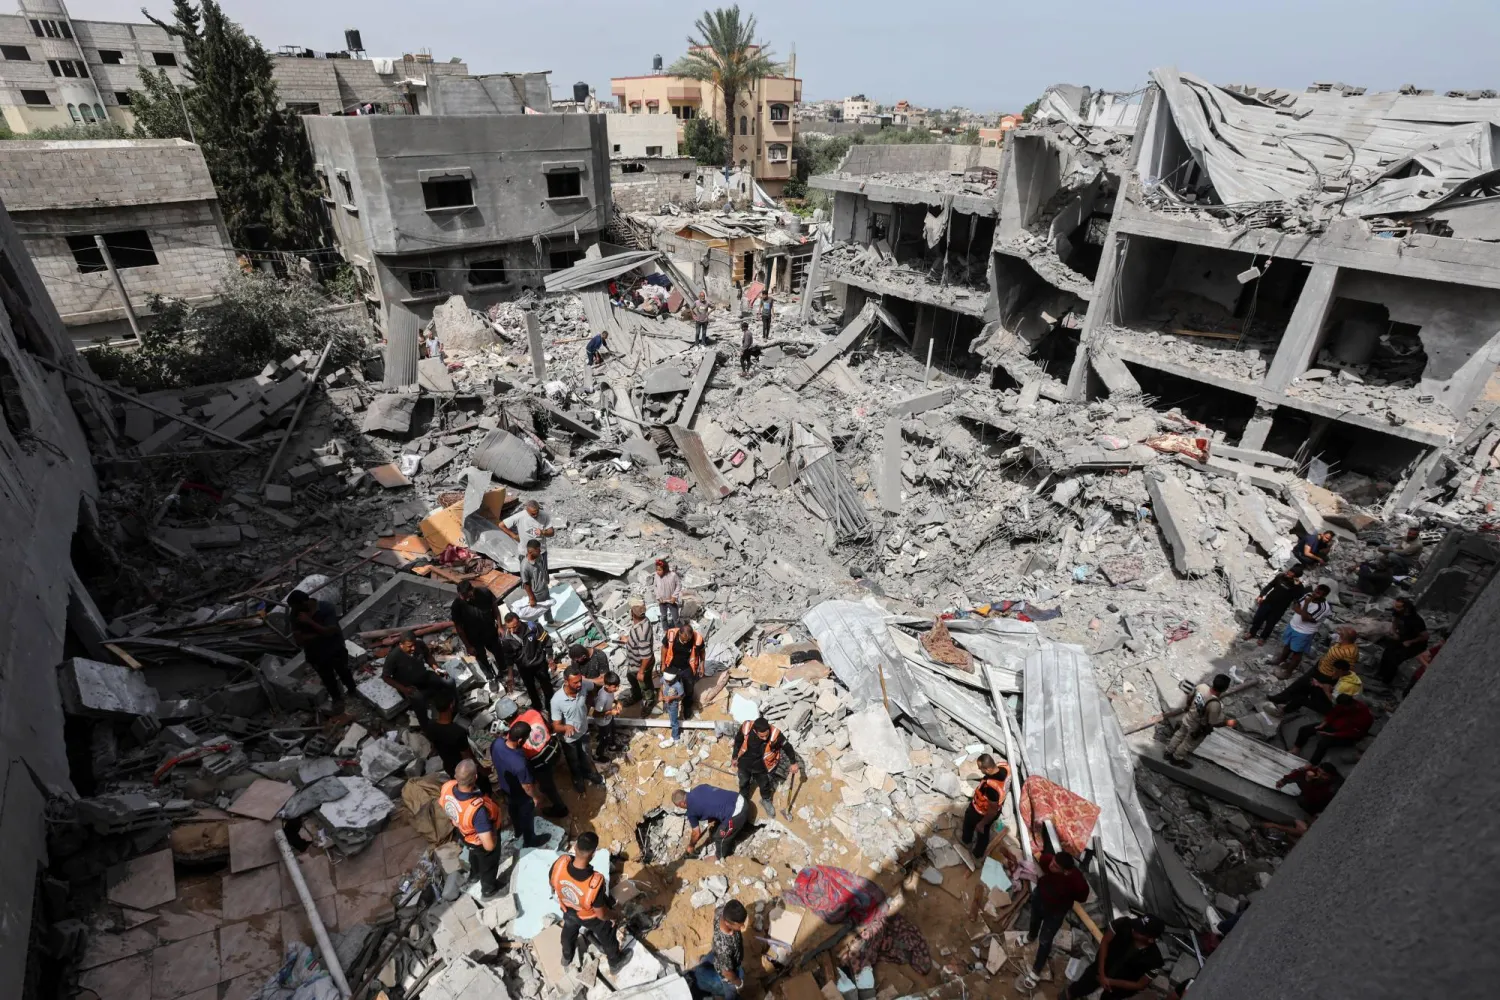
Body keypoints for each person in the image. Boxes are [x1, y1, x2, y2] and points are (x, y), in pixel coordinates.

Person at [550, 832, 632, 973]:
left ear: (575, 847)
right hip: (589, 918)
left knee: (568, 930)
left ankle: (567, 956)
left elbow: (553, 883)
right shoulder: (594, 883)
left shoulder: (560, 864)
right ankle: (615, 961)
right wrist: (615, 916)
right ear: (593, 854)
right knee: (607, 934)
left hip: (568, 910)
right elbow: (601, 914)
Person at [1016, 850, 1090, 991]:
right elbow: (1045, 862)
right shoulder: (1047, 860)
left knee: (1045, 940)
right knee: (1034, 921)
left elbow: (1082, 897)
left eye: (1055, 866)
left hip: (1055, 912)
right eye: (1053, 862)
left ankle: (1036, 971)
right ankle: (1030, 937)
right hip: (1040, 898)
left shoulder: (1077, 882)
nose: (1051, 866)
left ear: (1066, 872)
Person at [438, 760, 505, 898]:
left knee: (473, 853)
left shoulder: (447, 787)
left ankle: (475, 875)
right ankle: (488, 888)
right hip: (479, 840)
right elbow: (489, 845)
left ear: (456, 776)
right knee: (488, 862)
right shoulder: (477, 810)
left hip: (463, 832)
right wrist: (495, 836)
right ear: (475, 778)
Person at [1060, 914, 1164, 1000]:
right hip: (1101, 967)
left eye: (1140, 931)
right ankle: (1069, 995)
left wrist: (1108, 981)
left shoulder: (1154, 961)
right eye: (1137, 924)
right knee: (1083, 984)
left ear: (1150, 939)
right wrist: (1101, 973)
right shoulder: (1123, 924)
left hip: (1120, 987)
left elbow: (1140, 985)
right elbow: (1105, 942)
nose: (1134, 928)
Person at [287, 590, 357, 710]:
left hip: (335, 648)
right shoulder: (295, 614)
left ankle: (352, 690)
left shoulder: (325, 608)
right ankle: (337, 699)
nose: (295, 610)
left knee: (344, 671)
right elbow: (299, 640)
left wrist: (310, 622)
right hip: (315, 654)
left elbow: (331, 630)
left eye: (297, 606)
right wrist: (321, 634)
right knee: (327, 678)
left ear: (305, 602)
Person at [497, 705, 568, 818]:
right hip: (555, 749)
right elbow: (548, 727)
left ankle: (561, 808)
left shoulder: (513, 733)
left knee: (548, 787)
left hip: (541, 763)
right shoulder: (532, 712)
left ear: (505, 720)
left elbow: (518, 753)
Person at [490, 719, 551, 846]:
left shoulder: (496, 743)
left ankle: (518, 831)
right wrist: (535, 797)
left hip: (506, 787)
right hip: (521, 794)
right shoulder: (519, 763)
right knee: (527, 815)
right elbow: (527, 786)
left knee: (513, 809)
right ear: (520, 740)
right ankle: (530, 840)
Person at [381, 631, 457, 724]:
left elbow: (428, 656)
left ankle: (454, 706)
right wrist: (404, 689)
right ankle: (425, 724)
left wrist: (437, 669)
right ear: (401, 645)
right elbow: (386, 677)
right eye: (409, 646)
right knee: (418, 699)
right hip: (408, 685)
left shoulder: (419, 644)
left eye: (414, 645)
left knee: (449, 681)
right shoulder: (393, 656)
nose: (413, 648)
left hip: (423, 676)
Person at [732, 717, 800, 820]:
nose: (764, 738)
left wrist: (793, 763)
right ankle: (743, 798)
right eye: (761, 736)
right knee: (743, 781)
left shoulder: (775, 734)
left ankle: (766, 800)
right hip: (745, 762)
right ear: (755, 731)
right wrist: (734, 756)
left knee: (765, 785)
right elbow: (738, 740)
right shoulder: (746, 727)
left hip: (763, 766)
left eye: (766, 735)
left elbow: (788, 747)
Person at [550, 665, 605, 793]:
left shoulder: (583, 685)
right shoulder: (557, 700)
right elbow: (555, 726)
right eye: (575, 682)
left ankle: (588, 773)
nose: (579, 684)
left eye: (580, 680)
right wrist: (566, 727)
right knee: (573, 760)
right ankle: (577, 778)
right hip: (569, 739)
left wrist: (591, 701)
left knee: (586, 755)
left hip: (584, 731)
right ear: (566, 682)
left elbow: (594, 686)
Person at [1165, 674, 1237, 769]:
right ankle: (1176, 759)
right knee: (1187, 744)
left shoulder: (1202, 687)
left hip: (1189, 717)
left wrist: (1188, 706)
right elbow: (1212, 723)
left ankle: (1168, 752)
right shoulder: (1215, 705)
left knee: (1179, 734)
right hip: (1196, 727)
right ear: (1225, 689)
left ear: (1213, 682)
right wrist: (1228, 723)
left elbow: (1190, 697)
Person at [674, 784, 750, 860]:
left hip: (738, 812)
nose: (681, 808)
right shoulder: (700, 787)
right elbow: (711, 801)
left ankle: (719, 857)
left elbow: (696, 833)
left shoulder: (691, 811)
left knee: (719, 837)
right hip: (739, 798)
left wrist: (691, 845)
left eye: (679, 806)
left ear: (682, 803)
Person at [1292, 694, 1372, 764]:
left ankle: (1312, 764)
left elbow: (1352, 733)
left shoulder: (1365, 717)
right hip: (1334, 726)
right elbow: (1334, 713)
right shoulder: (1343, 704)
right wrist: (1324, 724)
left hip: (1347, 736)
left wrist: (1332, 734)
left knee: (1323, 743)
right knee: (1304, 729)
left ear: (1350, 705)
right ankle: (1296, 749)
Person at [452, 580, 506, 683]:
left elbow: (495, 609)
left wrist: (499, 626)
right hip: (474, 637)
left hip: (490, 631)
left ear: (471, 591)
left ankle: (504, 671)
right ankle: (490, 678)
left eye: (464, 595)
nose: (462, 597)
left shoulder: (485, 593)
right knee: (481, 658)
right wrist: (468, 646)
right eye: (461, 595)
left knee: (498, 651)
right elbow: (459, 627)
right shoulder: (457, 605)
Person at [1271, 584, 1333, 674]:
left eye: (1318, 593)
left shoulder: (1323, 608)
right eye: (1315, 591)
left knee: (1297, 653)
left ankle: (1288, 672)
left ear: (1324, 596)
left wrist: (1307, 604)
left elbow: (1304, 619)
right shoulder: (1308, 595)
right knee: (1287, 645)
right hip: (1293, 625)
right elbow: (1295, 607)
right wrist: (1304, 612)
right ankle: (1281, 660)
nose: (1315, 594)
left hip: (1304, 632)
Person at [693, 900, 748, 999]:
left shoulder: (722, 912)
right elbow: (727, 972)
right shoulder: (724, 948)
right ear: (728, 923)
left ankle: (703, 962)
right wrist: (738, 983)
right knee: (732, 993)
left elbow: (717, 910)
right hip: (727, 968)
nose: (743, 926)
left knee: (711, 956)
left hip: (716, 951)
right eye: (739, 925)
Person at [960, 754, 1010, 859]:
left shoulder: (992, 788)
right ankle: (978, 854)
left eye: (980, 768)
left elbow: (992, 811)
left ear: (987, 769)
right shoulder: (1005, 767)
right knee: (985, 831)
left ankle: (966, 841)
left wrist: (982, 823)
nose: (979, 769)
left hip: (981, 812)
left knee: (974, 826)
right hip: (997, 808)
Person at [1243, 566, 1307, 646]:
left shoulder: (1298, 586)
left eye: (1291, 572)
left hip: (1279, 609)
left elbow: (1298, 598)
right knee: (1258, 618)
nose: (1288, 572)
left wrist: (1296, 586)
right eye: (1290, 570)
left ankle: (1263, 638)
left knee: (1270, 623)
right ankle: (1252, 633)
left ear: (1295, 576)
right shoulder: (1280, 576)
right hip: (1267, 602)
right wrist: (1261, 595)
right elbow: (1270, 585)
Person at [505, 612, 555, 712]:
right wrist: (510, 675)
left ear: (519, 621)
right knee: (530, 689)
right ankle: (538, 708)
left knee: (546, 685)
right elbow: (509, 658)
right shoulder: (507, 639)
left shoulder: (533, 628)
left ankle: (551, 706)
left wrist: (550, 659)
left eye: (514, 627)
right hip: (524, 668)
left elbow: (547, 641)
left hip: (539, 664)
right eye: (509, 628)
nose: (512, 630)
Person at [1269, 659, 1352, 717]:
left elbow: (1336, 703)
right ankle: (1288, 702)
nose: (1333, 673)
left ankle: (1282, 712)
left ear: (1340, 670)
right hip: (1333, 699)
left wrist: (1326, 691)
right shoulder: (1350, 675)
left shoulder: (1345, 685)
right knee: (1310, 684)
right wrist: (1320, 685)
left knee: (1301, 698)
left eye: (1335, 671)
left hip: (1332, 709)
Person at [1375, 598, 1428, 686]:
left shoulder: (1416, 620)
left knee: (1395, 659)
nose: (1395, 608)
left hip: (1416, 643)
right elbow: (1394, 621)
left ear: (1406, 608)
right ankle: (1380, 673)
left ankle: (1386, 681)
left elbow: (1425, 636)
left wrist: (1410, 642)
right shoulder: (1397, 612)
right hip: (1402, 637)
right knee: (1387, 652)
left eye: (1398, 607)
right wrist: (1394, 631)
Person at [662, 621, 704, 719]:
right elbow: (664, 648)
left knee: (689, 689)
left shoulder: (697, 638)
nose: (686, 642)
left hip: (687, 667)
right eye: (684, 640)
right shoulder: (671, 634)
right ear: (680, 634)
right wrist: (663, 663)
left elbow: (702, 652)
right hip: (672, 665)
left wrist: (702, 665)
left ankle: (687, 706)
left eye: (688, 640)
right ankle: (667, 703)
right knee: (668, 686)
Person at [620, 602, 656, 712]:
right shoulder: (642, 621)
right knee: (631, 678)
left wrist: (641, 672)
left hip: (641, 666)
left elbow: (646, 655)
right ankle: (637, 696)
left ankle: (648, 703)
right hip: (634, 663)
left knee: (645, 685)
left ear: (632, 614)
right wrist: (629, 639)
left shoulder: (641, 632)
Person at [1309, 625, 1364, 695]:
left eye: (1341, 634)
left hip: (1326, 675)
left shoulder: (1350, 652)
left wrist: (1335, 678)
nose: (1339, 634)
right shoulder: (1342, 643)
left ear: (1344, 637)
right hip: (1321, 666)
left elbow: (1347, 668)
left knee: (1317, 691)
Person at [1275, 762, 1342, 816]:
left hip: (1317, 803)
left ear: (1331, 777)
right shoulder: (1317, 773)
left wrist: (1308, 782)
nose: (1319, 775)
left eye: (1324, 775)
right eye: (1319, 772)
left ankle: (1312, 815)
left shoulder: (1331, 788)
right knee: (1299, 774)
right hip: (1312, 788)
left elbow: (1313, 798)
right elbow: (1301, 773)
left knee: (1302, 800)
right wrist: (1284, 780)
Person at [1404, 630, 1447, 695]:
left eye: (1443, 641)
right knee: (1407, 693)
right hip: (1419, 676)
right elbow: (1419, 657)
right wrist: (1428, 666)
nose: (1440, 642)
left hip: (1427, 681)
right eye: (1441, 640)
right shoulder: (1438, 648)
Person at [592, 672, 623, 760]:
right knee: (604, 739)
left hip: (608, 719)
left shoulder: (609, 690)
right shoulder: (602, 698)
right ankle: (597, 755)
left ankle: (612, 747)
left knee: (612, 732)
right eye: (614, 687)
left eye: (618, 686)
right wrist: (610, 712)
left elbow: (612, 698)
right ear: (606, 685)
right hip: (603, 723)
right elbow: (595, 714)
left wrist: (617, 702)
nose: (617, 688)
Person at [519, 540, 551, 618]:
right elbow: (526, 584)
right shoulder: (525, 566)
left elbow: (542, 569)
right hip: (537, 594)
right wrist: (532, 598)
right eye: (538, 549)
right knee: (535, 612)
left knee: (547, 607)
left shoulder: (538, 557)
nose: (540, 551)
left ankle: (550, 621)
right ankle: (535, 627)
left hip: (544, 588)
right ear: (530, 551)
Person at [654, 559, 682, 628]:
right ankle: (666, 630)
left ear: (665, 569)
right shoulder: (656, 576)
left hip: (671, 601)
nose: (658, 572)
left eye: (660, 570)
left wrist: (674, 596)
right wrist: (658, 596)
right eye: (657, 570)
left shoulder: (673, 575)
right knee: (663, 617)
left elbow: (679, 585)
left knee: (676, 618)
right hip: (662, 601)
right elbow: (655, 586)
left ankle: (679, 631)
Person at [661, 665, 686, 742]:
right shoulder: (664, 679)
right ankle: (671, 723)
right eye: (666, 681)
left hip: (673, 705)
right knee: (671, 717)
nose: (667, 683)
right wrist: (660, 694)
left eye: (669, 682)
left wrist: (671, 698)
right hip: (666, 702)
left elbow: (681, 695)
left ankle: (675, 737)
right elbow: (661, 685)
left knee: (674, 722)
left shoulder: (678, 685)